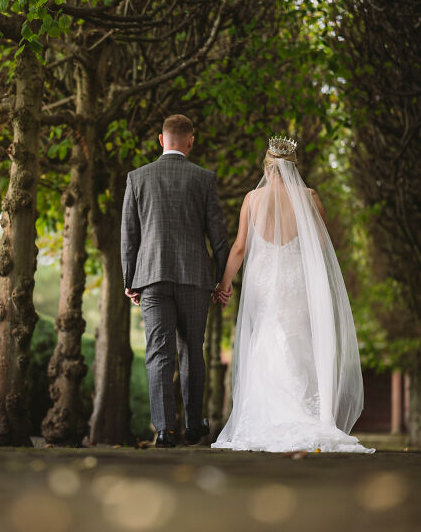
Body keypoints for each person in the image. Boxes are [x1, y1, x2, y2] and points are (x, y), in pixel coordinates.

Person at [211, 136, 374, 453]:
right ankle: (304, 413)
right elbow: (323, 246)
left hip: (264, 284)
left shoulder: (252, 199)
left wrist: (224, 284)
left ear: (267, 167)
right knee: (299, 341)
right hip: (296, 281)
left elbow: (240, 247)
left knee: (268, 340)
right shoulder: (309, 197)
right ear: (294, 167)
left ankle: (270, 417)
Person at [121, 114, 229, 447]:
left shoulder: (137, 178)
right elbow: (220, 237)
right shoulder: (204, 179)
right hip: (195, 278)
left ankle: (165, 429)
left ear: (160, 139)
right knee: (191, 350)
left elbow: (129, 235)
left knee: (158, 353)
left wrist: (130, 280)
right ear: (191, 141)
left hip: (151, 278)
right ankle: (194, 425)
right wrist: (222, 282)